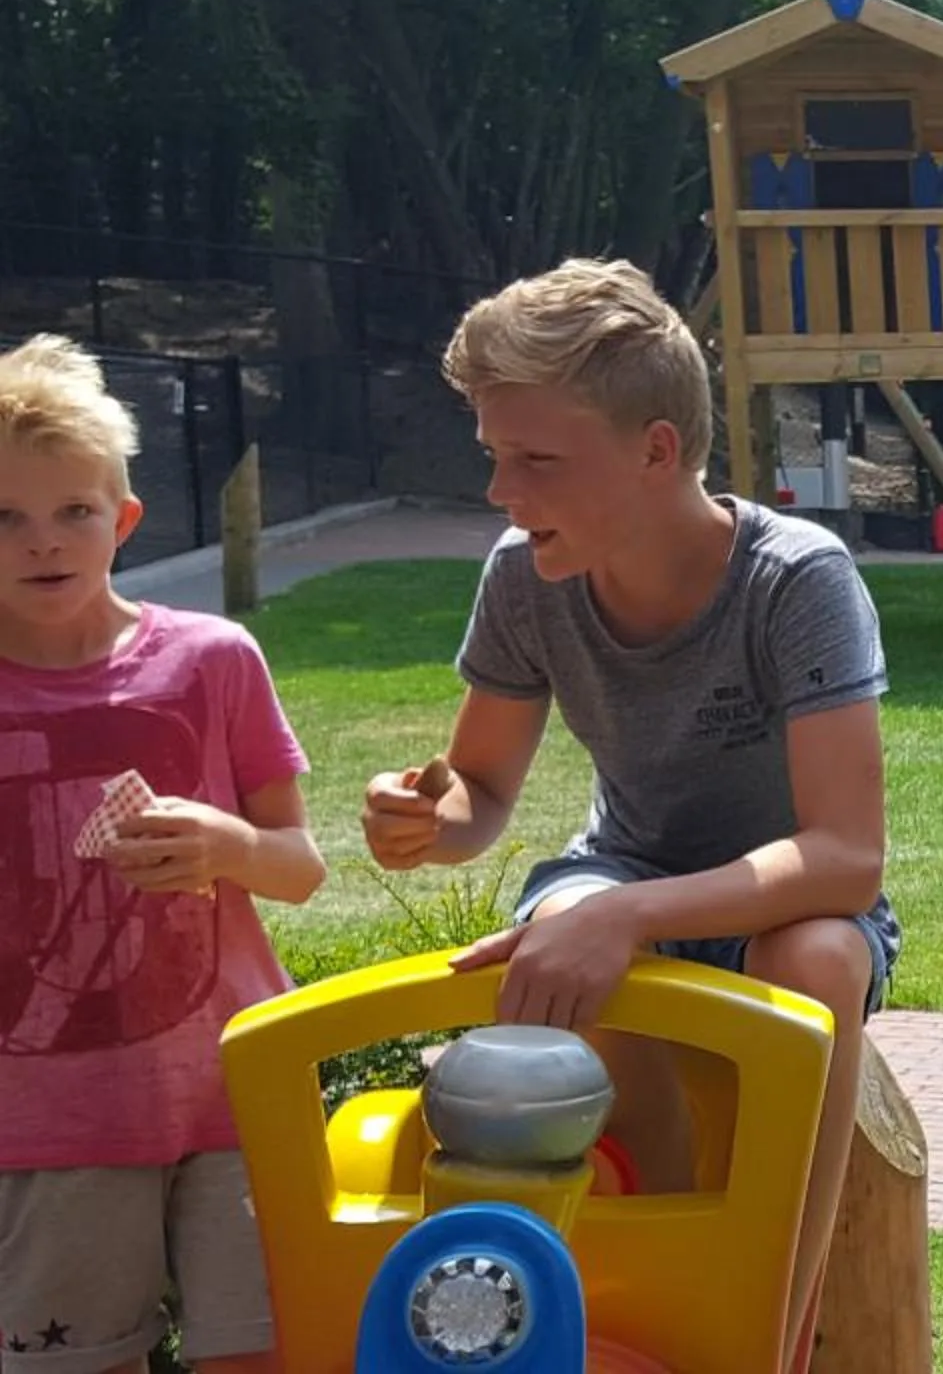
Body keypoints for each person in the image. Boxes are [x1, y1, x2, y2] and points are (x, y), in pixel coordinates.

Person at [360, 259, 895, 1336]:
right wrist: (430, 816)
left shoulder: (797, 576)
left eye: (537, 460)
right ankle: (666, 1269)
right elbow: (485, 787)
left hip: (782, 897)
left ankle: (769, 1327)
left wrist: (633, 914)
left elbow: (844, 855)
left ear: (657, 449)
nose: (502, 492)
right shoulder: (524, 574)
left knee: (821, 955)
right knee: (562, 923)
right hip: (624, 869)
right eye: (495, 456)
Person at [0, 334, 327, 1374]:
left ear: (124, 517)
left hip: (234, 1092)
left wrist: (230, 844)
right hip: (47, 1123)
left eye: (73, 511)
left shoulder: (213, 660)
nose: (41, 542)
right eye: (4, 516)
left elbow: (301, 865)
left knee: (264, 1354)